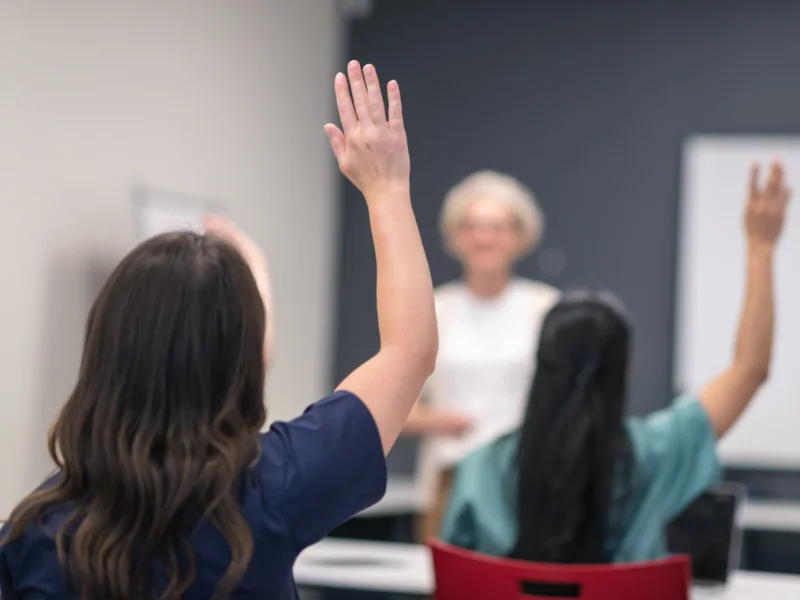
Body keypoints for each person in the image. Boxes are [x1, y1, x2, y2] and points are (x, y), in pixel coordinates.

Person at [0, 60, 435, 600]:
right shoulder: (277, 486)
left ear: (103, 351)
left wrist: (257, 272)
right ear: (242, 361)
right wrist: (387, 190)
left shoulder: (35, 531)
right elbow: (409, 350)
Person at [440, 161, 790, 563]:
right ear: (627, 370)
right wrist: (761, 249)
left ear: (539, 365)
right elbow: (750, 370)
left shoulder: (482, 468)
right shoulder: (658, 451)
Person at [403, 171, 560, 542]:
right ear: (455, 236)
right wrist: (435, 421)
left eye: (497, 226)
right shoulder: (433, 309)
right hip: (450, 476)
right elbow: (395, 403)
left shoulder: (546, 308)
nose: (484, 237)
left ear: (521, 236)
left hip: (525, 477)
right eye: (471, 226)